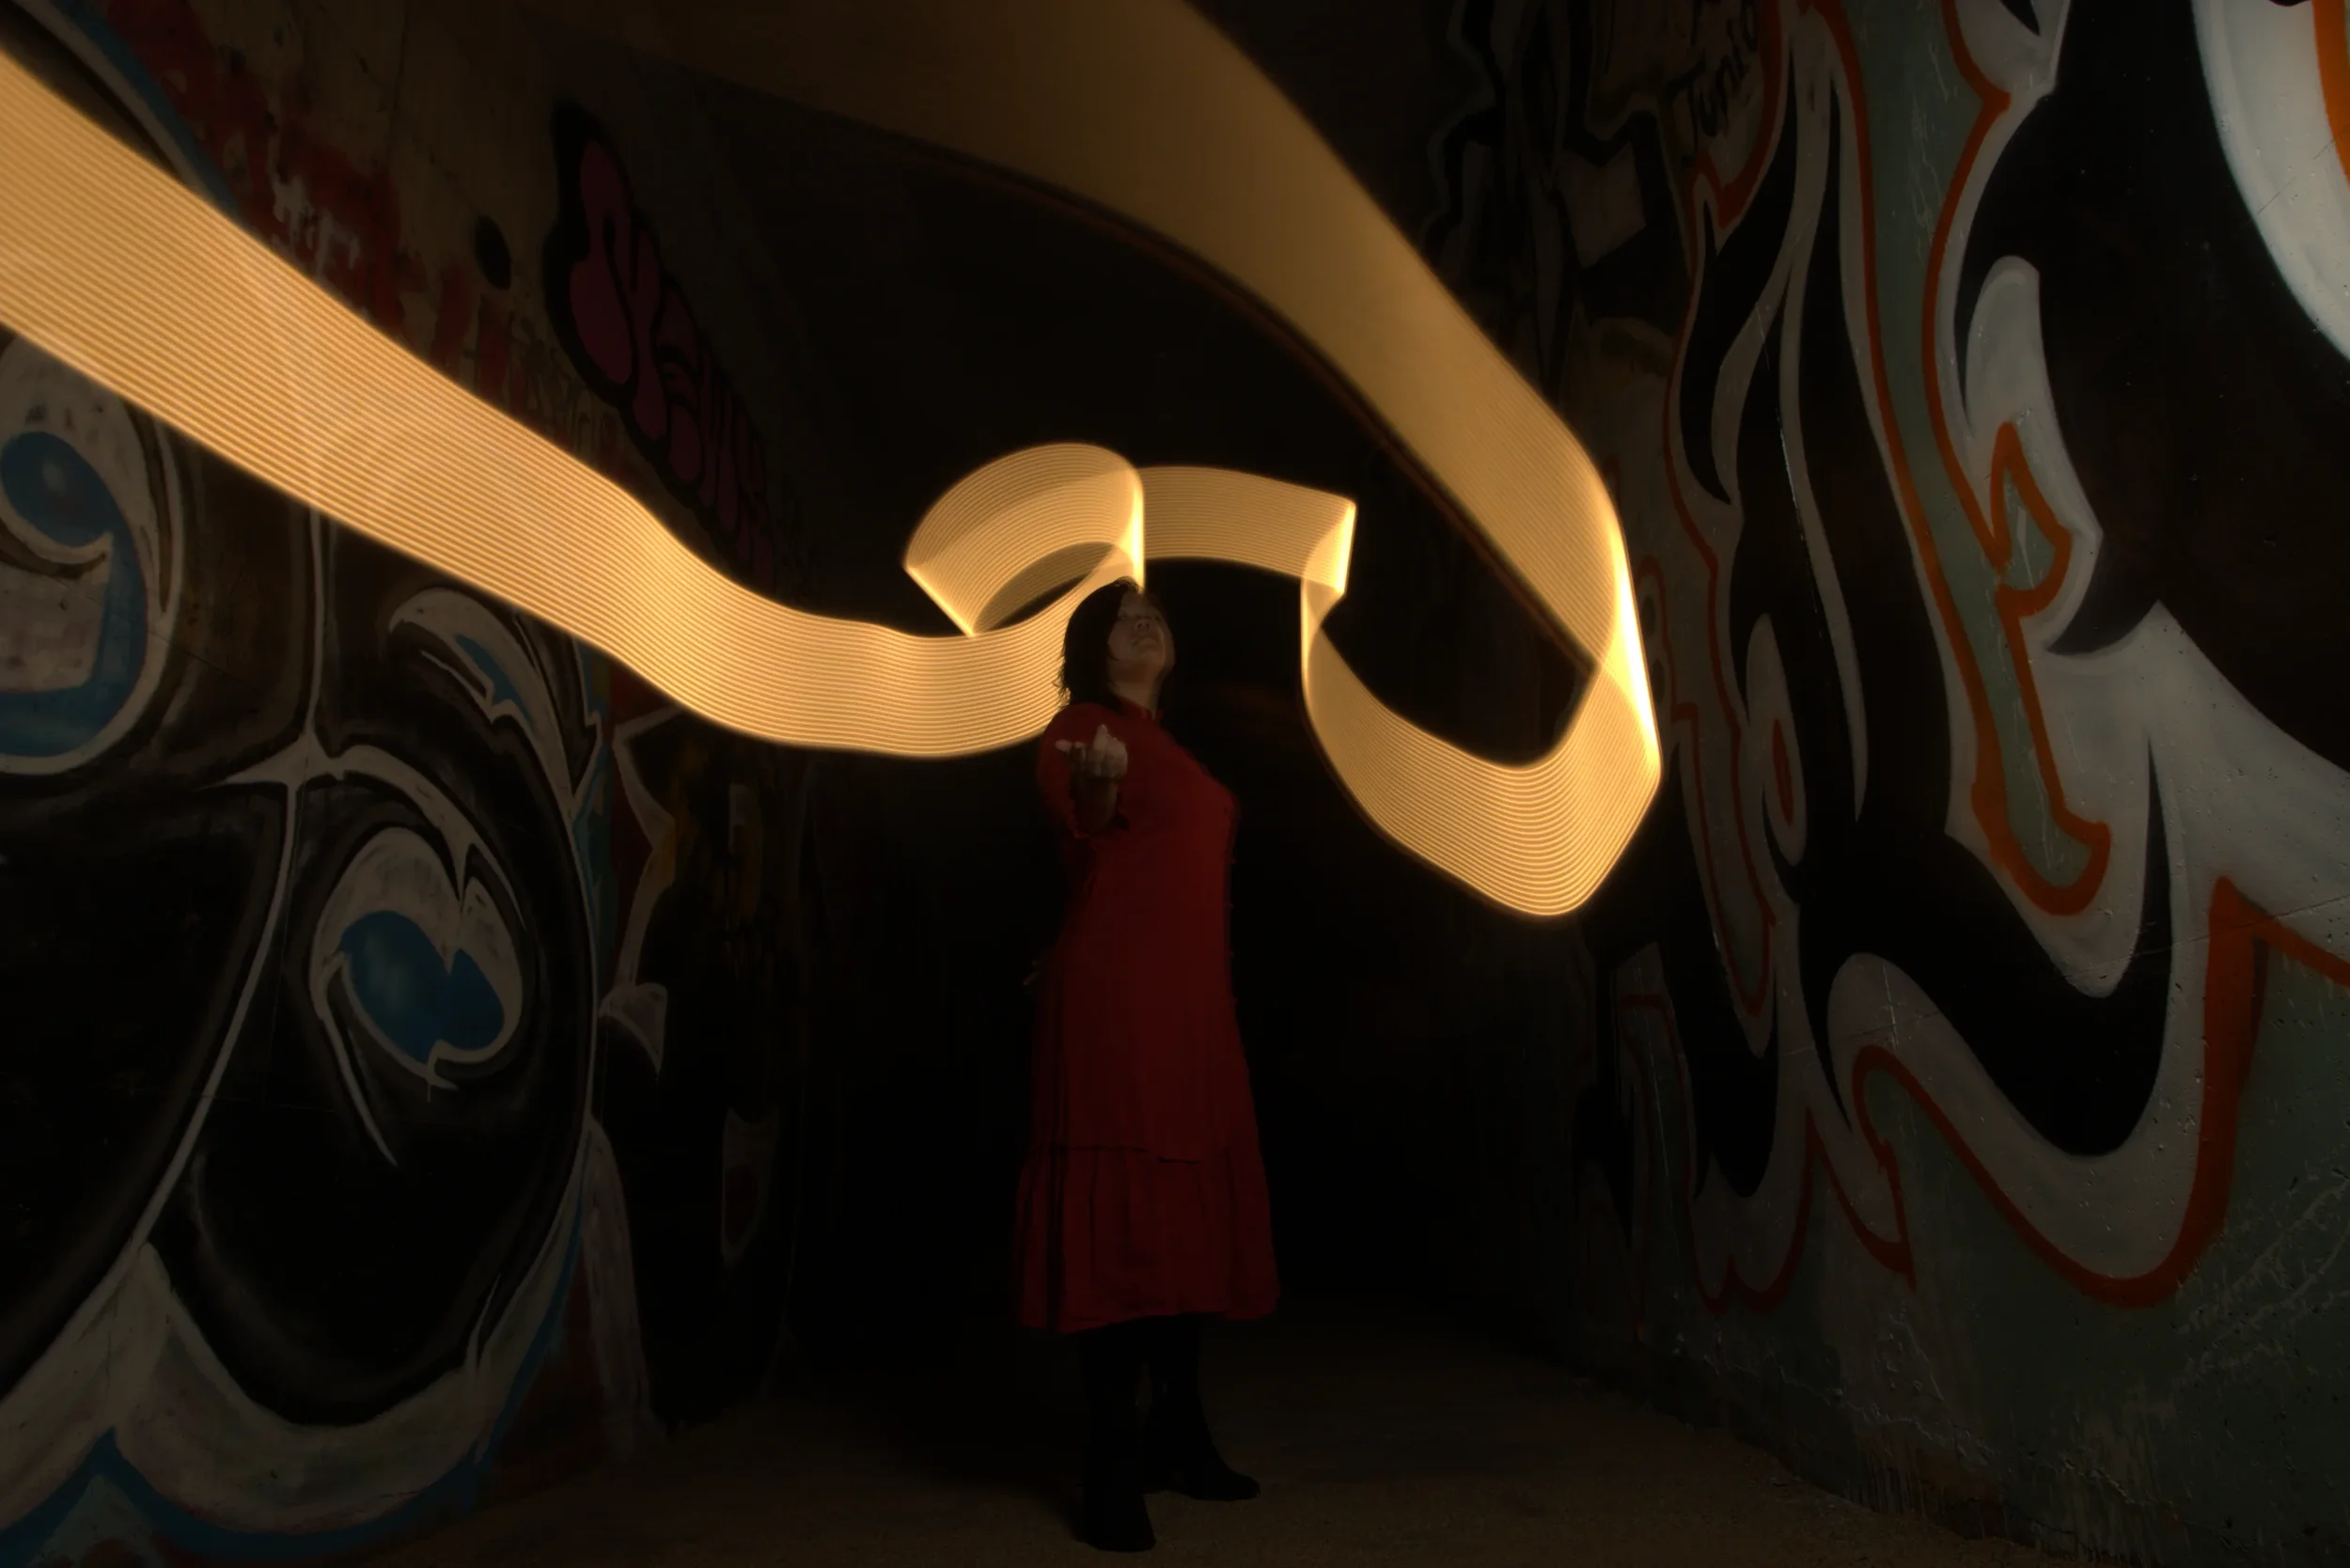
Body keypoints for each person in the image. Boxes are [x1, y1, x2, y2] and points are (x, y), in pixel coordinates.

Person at [1015, 578, 1279, 1553]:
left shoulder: (1174, 748)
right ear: (1091, 650)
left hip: (1195, 1007)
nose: (1145, 624)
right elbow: (1085, 816)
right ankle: (1109, 1460)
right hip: (1117, 1003)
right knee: (1124, 1222)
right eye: (1122, 619)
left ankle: (1180, 1433)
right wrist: (1101, 779)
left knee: (1179, 1222)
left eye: (1155, 615)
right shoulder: (1080, 730)